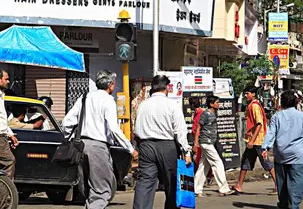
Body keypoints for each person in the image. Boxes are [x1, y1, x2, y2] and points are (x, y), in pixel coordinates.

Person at [63, 69, 136, 209]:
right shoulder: (108, 101)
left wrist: (70, 138)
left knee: (88, 189)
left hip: (81, 147)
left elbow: (67, 122)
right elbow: (114, 129)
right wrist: (130, 148)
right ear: (111, 85)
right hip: (98, 148)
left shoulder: (84, 97)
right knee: (101, 191)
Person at [133, 75, 191, 209]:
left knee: (145, 182)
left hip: (146, 146)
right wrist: (186, 151)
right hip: (167, 147)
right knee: (171, 183)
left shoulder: (143, 105)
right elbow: (180, 130)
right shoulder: (172, 105)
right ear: (167, 89)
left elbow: (137, 129)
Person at [262, 90, 303, 209]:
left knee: (282, 183)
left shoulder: (277, 116)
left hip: (281, 155)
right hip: (298, 156)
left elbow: (270, 133)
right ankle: (293, 205)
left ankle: (284, 203)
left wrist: (265, 147)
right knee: (296, 183)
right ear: (296, 102)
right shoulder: (302, 116)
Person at [232, 86, 277, 194]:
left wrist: (252, 140)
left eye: (247, 93)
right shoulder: (252, 105)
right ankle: (239, 185)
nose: (246, 95)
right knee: (245, 161)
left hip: (258, 140)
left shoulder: (255, 106)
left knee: (266, 163)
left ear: (253, 94)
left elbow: (259, 124)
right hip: (253, 140)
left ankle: (278, 186)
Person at [193, 96, 234, 197]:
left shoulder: (213, 114)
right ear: (211, 104)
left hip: (209, 142)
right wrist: (195, 143)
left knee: (204, 166)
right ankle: (224, 188)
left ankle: (197, 189)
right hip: (205, 142)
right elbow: (198, 127)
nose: (218, 104)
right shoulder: (205, 114)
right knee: (218, 163)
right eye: (217, 102)